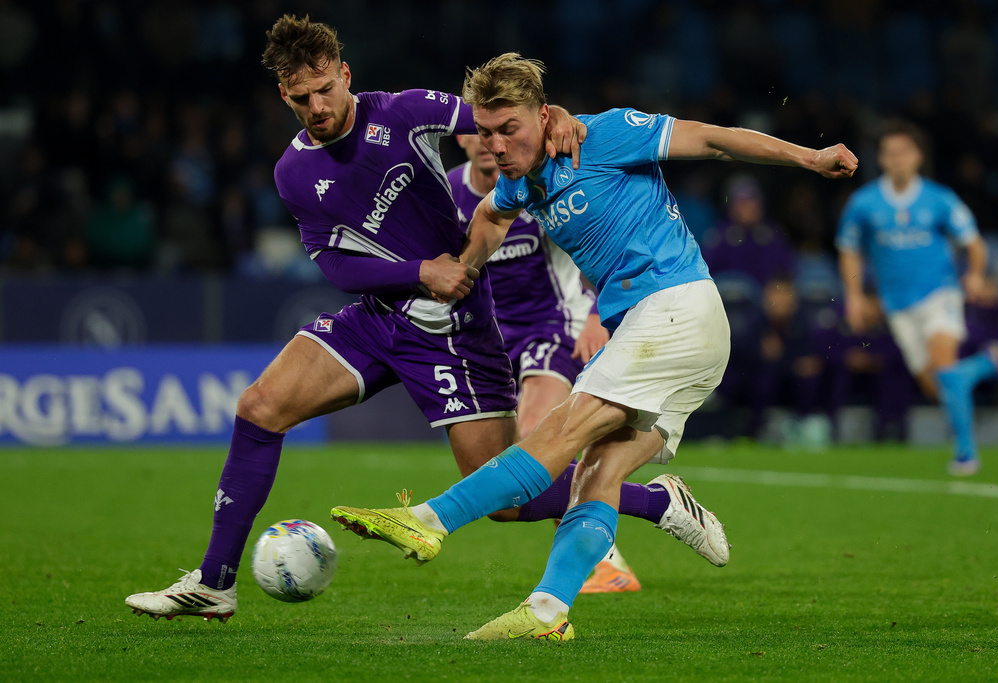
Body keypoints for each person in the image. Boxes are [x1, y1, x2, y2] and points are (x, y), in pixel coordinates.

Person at [123, 16, 682, 624]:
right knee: (259, 407)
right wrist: (419, 271)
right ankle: (215, 582)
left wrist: (561, 114)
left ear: (346, 76)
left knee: (505, 496)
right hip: (378, 317)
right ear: (284, 97)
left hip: (453, 330)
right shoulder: (293, 173)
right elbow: (336, 261)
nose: (316, 106)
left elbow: (502, 119)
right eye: (301, 98)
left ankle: (654, 501)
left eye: (324, 90)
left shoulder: (404, 112)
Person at [331, 52, 858, 641]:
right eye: (485, 132)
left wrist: (808, 157)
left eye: (510, 129)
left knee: (558, 435)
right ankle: (548, 613)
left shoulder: (603, 134)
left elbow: (711, 140)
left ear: (543, 116)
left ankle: (428, 519)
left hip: (676, 308)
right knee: (597, 473)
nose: (498, 145)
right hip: (657, 329)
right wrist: (468, 267)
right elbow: (489, 215)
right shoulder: (519, 181)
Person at [448, 135, 638, 593]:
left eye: (494, 131)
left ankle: (605, 559)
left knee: (537, 431)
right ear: (460, 136)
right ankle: (610, 528)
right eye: (475, 130)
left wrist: (596, 313)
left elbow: (591, 245)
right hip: (491, 336)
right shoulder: (450, 191)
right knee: (501, 465)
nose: (485, 142)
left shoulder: (533, 183)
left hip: (556, 322)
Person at [836, 119, 998, 476]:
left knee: (945, 366)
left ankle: (966, 453)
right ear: (882, 159)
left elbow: (974, 243)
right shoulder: (864, 203)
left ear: (918, 156)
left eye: (904, 152)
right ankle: (985, 364)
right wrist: (854, 295)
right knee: (935, 386)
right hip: (897, 305)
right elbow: (848, 249)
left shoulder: (939, 198)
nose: (897, 159)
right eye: (890, 153)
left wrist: (975, 273)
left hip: (940, 293)